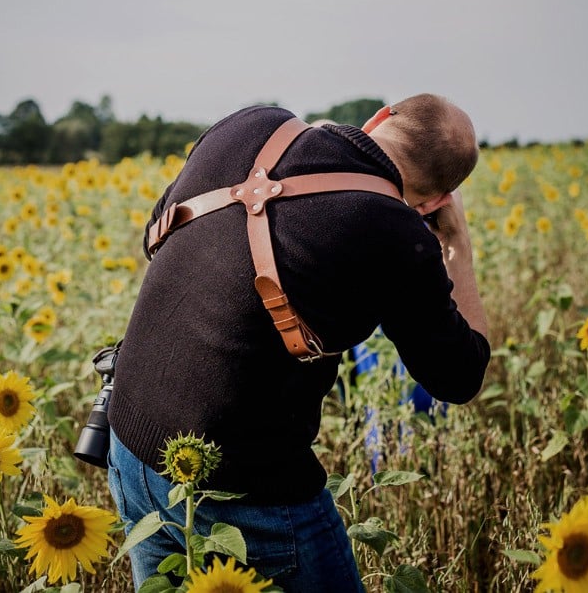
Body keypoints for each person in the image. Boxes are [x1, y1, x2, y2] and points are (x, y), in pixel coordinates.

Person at [106, 94, 493, 592]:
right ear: (436, 202)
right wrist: (455, 241)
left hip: (130, 436)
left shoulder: (254, 122)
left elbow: (156, 238)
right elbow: (460, 376)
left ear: (377, 119)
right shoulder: (397, 231)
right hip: (246, 486)